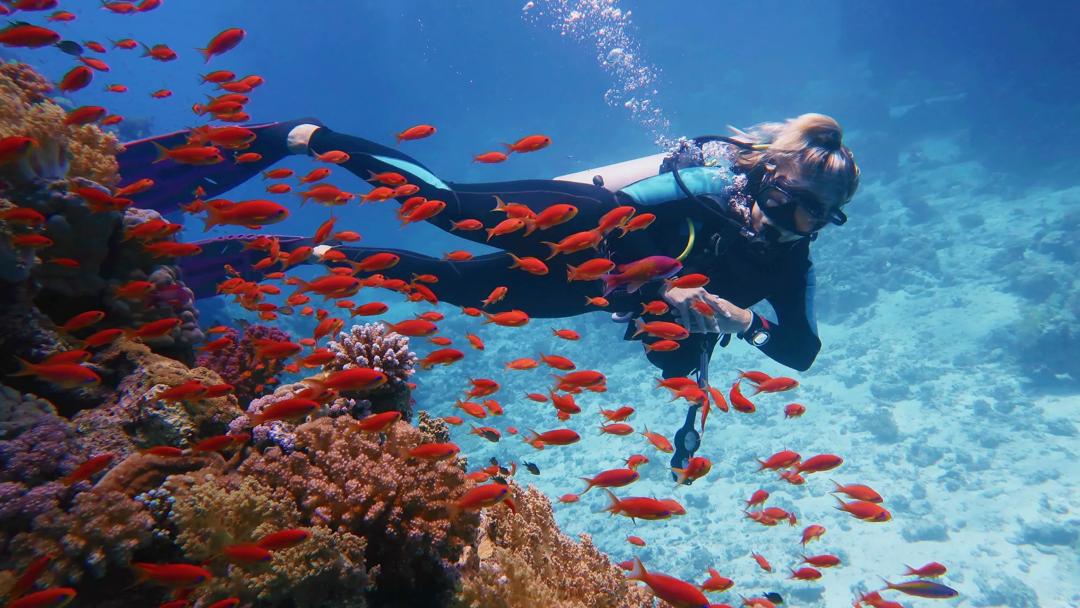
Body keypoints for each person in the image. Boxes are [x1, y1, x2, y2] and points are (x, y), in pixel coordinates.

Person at [117, 113, 860, 478]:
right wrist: (665, 285)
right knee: (444, 204)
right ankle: (299, 136)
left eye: (823, 217)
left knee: (445, 286)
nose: (805, 226)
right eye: (800, 204)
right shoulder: (706, 186)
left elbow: (800, 350)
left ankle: (286, 252)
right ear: (768, 177)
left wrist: (737, 323)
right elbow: (625, 212)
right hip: (580, 226)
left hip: (584, 290)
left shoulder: (788, 266)